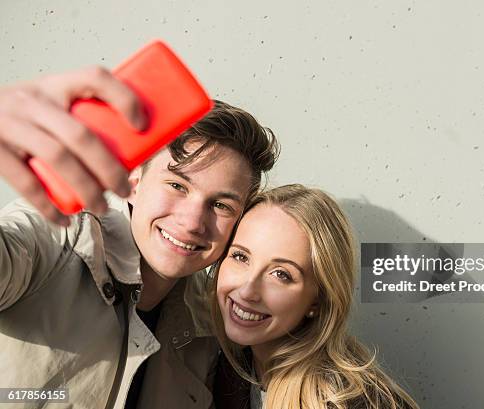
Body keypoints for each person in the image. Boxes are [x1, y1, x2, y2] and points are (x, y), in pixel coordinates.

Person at [0, 66, 279, 408]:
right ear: (133, 181)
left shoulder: (211, 325)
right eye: (177, 185)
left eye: (220, 204)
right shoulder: (54, 234)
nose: (193, 222)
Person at [209, 184, 420, 409]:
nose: (248, 291)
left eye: (281, 274)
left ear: (318, 302)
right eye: (241, 257)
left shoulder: (359, 403)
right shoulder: (229, 370)